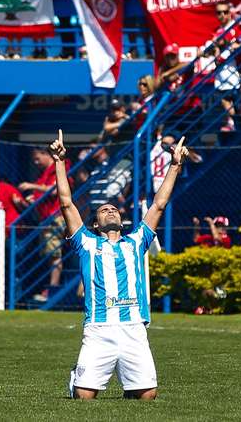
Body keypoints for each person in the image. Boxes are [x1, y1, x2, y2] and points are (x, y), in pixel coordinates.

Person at [50, 129, 189, 400]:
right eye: (103, 210)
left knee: (147, 396)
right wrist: (59, 161)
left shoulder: (137, 239)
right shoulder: (86, 242)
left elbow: (159, 205)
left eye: (114, 208)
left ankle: (128, 383)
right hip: (99, 328)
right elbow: (66, 204)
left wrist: (175, 165)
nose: (110, 210)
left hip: (133, 326)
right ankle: (77, 379)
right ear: (95, 223)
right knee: (84, 397)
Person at [18, 147, 71, 302]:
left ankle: (52, 290)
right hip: (46, 218)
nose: (35, 162)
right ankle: (51, 288)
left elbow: (55, 190)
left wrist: (31, 186)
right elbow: (43, 194)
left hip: (55, 217)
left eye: (37, 158)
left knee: (54, 254)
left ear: (46, 154)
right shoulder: (43, 174)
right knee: (50, 255)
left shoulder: (57, 168)